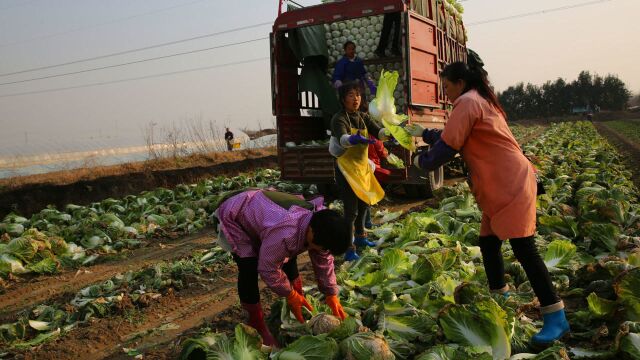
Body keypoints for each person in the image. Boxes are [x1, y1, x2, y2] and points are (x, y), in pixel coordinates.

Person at [406, 59, 570, 346]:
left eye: (446, 87)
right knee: (489, 243)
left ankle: (556, 316)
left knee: (524, 249)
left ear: (459, 83)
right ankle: (501, 297)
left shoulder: (467, 102)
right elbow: (454, 135)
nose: (445, 93)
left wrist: (422, 161)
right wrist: (423, 133)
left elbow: (448, 146)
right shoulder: (477, 100)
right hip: (501, 185)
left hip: (509, 184)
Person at [213, 188, 351, 346]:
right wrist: (289, 294)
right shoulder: (285, 233)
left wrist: (330, 293)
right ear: (312, 232)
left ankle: (299, 304)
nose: (323, 250)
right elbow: (267, 268)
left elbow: (323, 257)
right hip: (236, 214)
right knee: (249, 266)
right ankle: (256, 323)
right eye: (321, 246)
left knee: (290, 254)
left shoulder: (324, 222)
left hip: (265, 211)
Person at [329, 81, 390, 261]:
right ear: (342, 99)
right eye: (350, 95)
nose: (355, 99)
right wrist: (351, 139)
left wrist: (390, 131)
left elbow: (378, 132)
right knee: (351, 210)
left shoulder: (363, 117)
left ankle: (362, 238)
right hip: (346, 168)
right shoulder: (338, 118)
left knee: (364, 203)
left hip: (362, 167)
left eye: (358, 95)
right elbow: (342, 138)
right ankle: (348, 247)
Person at [364, 135, 392, 229]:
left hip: (359, 168)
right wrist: (387, 154)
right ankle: (367, 223)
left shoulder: (355, 135)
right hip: (371, 167)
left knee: (363, 196)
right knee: (366, 197)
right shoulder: (372, 136)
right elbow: (381, 150)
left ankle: (365, 223)